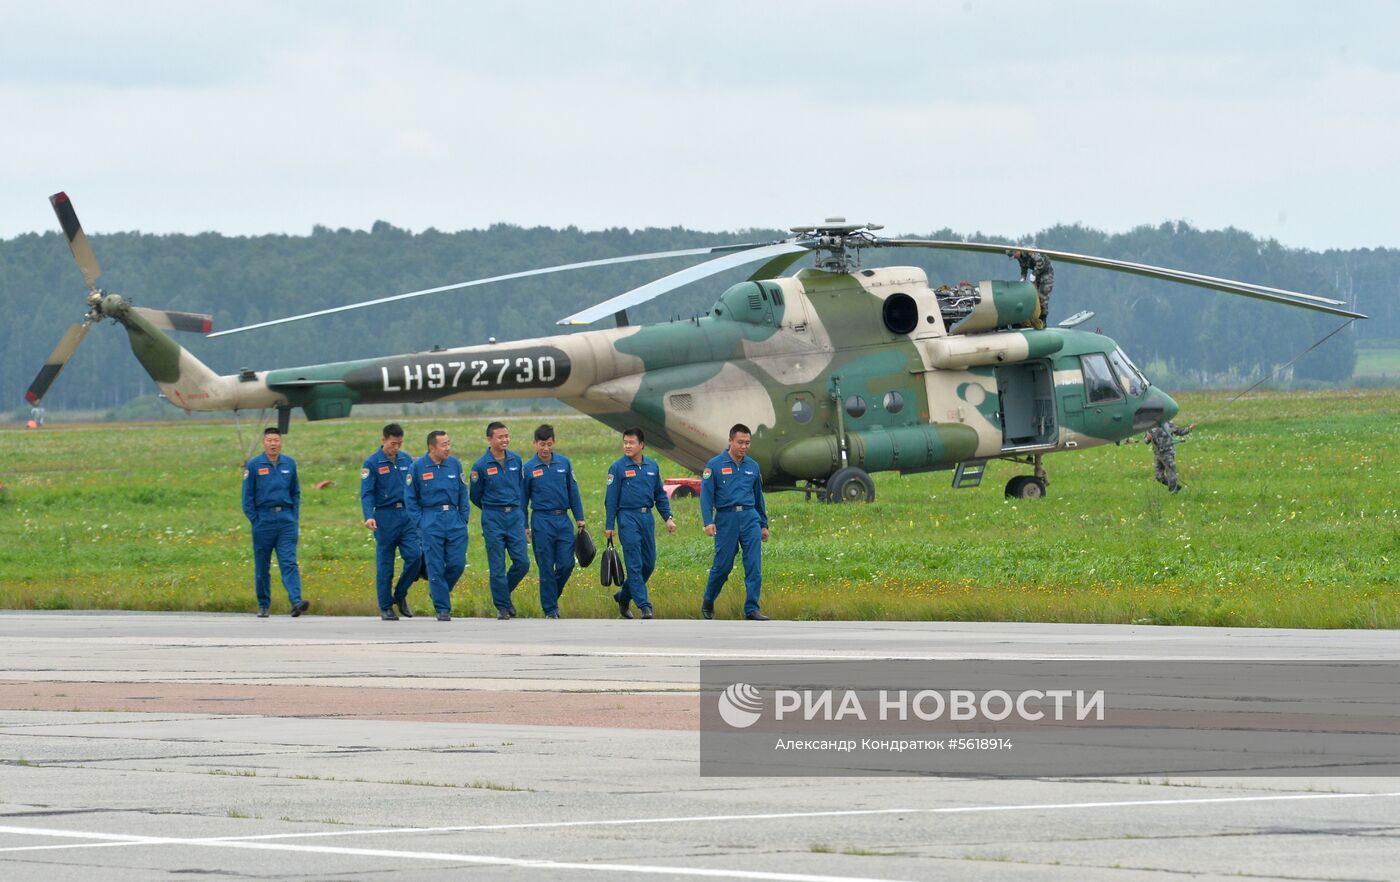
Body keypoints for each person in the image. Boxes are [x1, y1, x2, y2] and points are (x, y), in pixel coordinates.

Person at [699, 423, 771, 621]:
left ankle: (752, 608)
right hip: (726, 518)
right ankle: (709, 599)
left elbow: (759, 497)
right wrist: (708, 521)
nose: (744, 446)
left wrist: (763, 524)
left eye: (747, 443)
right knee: (723, 566)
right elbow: (706, 496)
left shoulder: (753, 466)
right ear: (730, 441)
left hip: (750, 518)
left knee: (754, 565)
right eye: (740, 442)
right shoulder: (714, 465)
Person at [603, 427, 676, 619]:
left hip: (646, 518)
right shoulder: (617, 468)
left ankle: (624, 596)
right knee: (634, 564)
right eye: (625, 442)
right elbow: (610, 499)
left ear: (641, 445)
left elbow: (660, 495)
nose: (627, 446)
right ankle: (644, 606)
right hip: (627, 518)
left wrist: (668, 517)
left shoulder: (652, 467)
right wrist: (609, 526)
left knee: (649, 564)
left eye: (631, 442)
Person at [241, 427, 309, 617]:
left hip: (286, 520)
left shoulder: (289, 464)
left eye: (276, 440)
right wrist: (256, 520)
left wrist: (293, 518)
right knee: (262, 566)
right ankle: (263, 604)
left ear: (281, 442)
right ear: (264, 443)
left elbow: (295, 492)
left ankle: (296, 601)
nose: (273, 444)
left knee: (289, 562)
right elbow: (247, 498)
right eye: (270, 440)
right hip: (263, 520)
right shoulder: (254, 465)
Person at [521, 424, 586, 619]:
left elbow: (573, 492)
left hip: (563, 520)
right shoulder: (529, 468)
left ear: (554, 443)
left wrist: (580, 518)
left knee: (567, 564)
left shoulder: (564, 464)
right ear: (535, 444)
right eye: (542, 444)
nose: (546, 448)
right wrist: (525, 526)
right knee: (546, 568)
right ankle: (550, 609)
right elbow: (522, 501)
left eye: (549, 444)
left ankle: (550, 596)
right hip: (541, 520)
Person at [360, 423, 422, 620]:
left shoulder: (406, 460)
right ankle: (386, 606)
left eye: (399, 444)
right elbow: (367, 493)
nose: (396, 448)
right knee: (385, 565)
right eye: (393, 444)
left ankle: (400, 594)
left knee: (415, 556)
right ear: (384, 440)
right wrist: (368, 515)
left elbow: (414, 488)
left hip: (407, 516)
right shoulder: (371, 463)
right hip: (384, 518)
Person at [406, 430, 468, 621]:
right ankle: (442, 608)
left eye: (449, 443)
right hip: (430, 519)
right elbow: (410, 499)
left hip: (454, 518)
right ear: (432, 448)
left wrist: (463, 517)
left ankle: (438, 591)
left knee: (457, 563)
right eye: (443, 445)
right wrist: (420, 523)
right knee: (435, 566)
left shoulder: (454, 464)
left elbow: (463, 492)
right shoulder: (417, 467)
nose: (448, 448)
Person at [470, 422, 530, 620]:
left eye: (507, 436)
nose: (504, 440)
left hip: (514, 516)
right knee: (497, 566)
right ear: (490, 439)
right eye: (500, 437)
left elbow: (521, 488)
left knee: (522, 563)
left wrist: (522, 519)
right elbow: (475, 495)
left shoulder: (516, 460)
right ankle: (502, 607)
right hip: (493, 517)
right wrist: (492, 509)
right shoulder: (480, 465)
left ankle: (503, 593)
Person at [1146, 420, 1195, 493]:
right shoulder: (1150, 426)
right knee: (1158, 476)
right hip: (1158, 454)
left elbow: (1179, 432)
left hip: (1168, 452)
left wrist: (1189, 428)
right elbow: (1146, 440)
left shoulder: (1168, 423)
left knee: (1171, 472)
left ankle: (1174, 492)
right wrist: (1147, 438)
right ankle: (1175, 486)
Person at [1010, 249, 1054, 327]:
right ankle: (1033, 319)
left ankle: (1043, 320)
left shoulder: (1029, 251)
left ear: (1017, 251)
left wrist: (1034, 273)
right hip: (1037, 275)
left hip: (1046, 274)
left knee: (1043, 297)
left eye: (1014, 255)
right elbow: (1023, 268)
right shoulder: (1020, 257)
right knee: (1035, 296)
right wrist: (1023, 278)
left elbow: (1041, 263)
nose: (1015, 258)